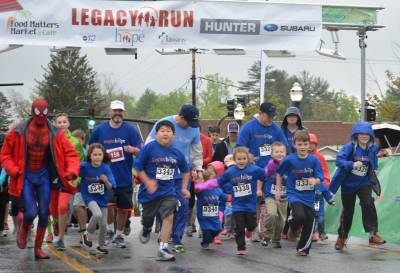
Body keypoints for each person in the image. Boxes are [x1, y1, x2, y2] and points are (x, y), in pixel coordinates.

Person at [0, 98, 80, 259]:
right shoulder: (18, 130)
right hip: (26, 175)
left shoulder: (55, 133)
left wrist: (71, 171)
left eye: (45, 112)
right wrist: (13, 170)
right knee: (30, 212)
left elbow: (71, 154)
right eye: (38, 112)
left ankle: (38, 248)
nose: (42, 116)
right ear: (32, 111)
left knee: (44, 213)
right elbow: (5, 154)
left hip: (44, 175)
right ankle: (24, 230)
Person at [146, 104, 203, 253]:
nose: (191, 127)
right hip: (162, 170)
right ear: (181, 118)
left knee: (183, 204)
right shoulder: (164, 124)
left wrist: (197, 168)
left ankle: (177, 239)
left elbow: (196, 151)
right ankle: (162, 231)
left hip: (181, 171)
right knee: (163, 204)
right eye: (189, 122)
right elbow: (149, 144)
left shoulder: (194, 128)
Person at [88, 100, 142, 248]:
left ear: (123, 112)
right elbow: (90, 147)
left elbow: (140, 149)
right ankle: (110, 230)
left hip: (124, 176)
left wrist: (133, 150)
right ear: (109, 112)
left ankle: (119, 235)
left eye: (120, 111)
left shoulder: (130, 130)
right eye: (115, 110)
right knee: (109, 206)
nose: (117, 113)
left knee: (124, 208)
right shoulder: (100, 130)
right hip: (105, 177)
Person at [135, 120, 190, 261]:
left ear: (174, 135)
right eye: (162, 130)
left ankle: (163, 248)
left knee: (169, 216)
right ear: (156, 134)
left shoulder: (176, 153)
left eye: (168, 131)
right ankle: (146, 228)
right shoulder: (149, 148)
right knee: (148, 219)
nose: (165, 133)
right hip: (149, 194)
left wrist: (184, 188)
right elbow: (137, 168)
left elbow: (185, 171)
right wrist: (147, 182)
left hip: (168, 192)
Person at [329, 121, 385, 251]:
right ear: (356, 135)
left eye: (367, 134)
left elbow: (375, 159)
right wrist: (352, 165)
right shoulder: (350, 147)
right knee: (348, 212)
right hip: (348, 185)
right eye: (361, 134)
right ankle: (342, 237)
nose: (364, 137)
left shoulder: (372, 148)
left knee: (368, 202)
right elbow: (339, 161)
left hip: (364, 183)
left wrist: (375, 168)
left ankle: (372, 234)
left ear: (371, 136)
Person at [276, 130, 323, 256]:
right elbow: (279, 174)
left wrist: (315, 180)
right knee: (300, 216)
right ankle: (292, 225)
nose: (303, 147)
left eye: (305, 144)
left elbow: (320, 177)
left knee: (309, 221)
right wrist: (279, 191)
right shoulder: (289, 159)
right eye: (300, 144)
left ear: (309, 145)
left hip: (309, 196)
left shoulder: (314, 160)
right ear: (294, 145)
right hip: (294, 194)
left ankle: (303, 249)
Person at [50, 113, 85, 250]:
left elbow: (80, 163)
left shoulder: (75, 142)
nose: (62, 124)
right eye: (59, 122)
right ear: (55, 125)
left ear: (68, 124)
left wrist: (76, 179)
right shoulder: (51, 139)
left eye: (64, 122)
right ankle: (56, 222)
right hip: (52, 178)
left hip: (68, 179)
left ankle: (61, 239)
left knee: (63, 207)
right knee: (53, 209)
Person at [80, 143, 115, 254]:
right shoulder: (84, 166)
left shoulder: (106, 168)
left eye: (99, 154)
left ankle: (101, 244)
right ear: (90, 155)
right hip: (88, 196)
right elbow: (73, 172)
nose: (97, 157)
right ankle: (87, 234)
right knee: (97, 214)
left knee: (104, 224)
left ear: (103, 155)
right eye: (94, 154)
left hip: (102, 198)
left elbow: (110, 187)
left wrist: (105, 180)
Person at [238, 102, 288, 168]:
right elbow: (239, 149)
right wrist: (248, 156)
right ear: (260, 114)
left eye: (273, 116)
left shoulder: (277, 129)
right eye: (269, 116)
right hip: (253, 170)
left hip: (272, 170)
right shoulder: (247, 128)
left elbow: (285, 148)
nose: (271, 119)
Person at [193, 161, 227, 249]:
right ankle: (205, 241)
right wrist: (196, 181)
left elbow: (224, 197)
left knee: (218, 229)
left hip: (214, 215)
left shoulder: (218, 190)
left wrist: (233, 198)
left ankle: (210, 238)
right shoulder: (202, 188)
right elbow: (196, 189)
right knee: (207, 231)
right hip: (203, 215)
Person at [261, 141, 287, 248]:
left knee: (281, 221)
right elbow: (262, 176)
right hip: (270, 195)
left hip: (283, 196)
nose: (279, 154)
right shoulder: (270, 166)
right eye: (277, 152)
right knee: (271, 214)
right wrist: (259, 189)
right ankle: (267, 236)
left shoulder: (288, 165)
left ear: (285, 153)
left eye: (282, 152)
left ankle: (276, 239)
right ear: (272, 154)